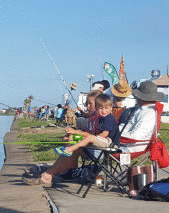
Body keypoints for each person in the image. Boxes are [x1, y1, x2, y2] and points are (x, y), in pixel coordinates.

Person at [22, 80, 163, 188]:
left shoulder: (149, 113)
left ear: (143, 96)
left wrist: (106, 136)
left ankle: (48, 175)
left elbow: (135, 137)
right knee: (75, 145)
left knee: (76, 148)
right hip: (119, 143)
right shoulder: (140, 110)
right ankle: (57, 172)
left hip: (124, 148)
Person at [54, 94, 120, 157]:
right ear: (96, 109)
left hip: (111, 144)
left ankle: (69, 150)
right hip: (105, 141)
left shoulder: (108, 118)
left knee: (90, 138)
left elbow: (105, 134)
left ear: (111, 108)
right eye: (100, 108)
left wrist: (94, 138)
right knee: (83, 138)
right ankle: (69, 148)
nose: (103, 111)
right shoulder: (101, 118)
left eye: (106, 108)